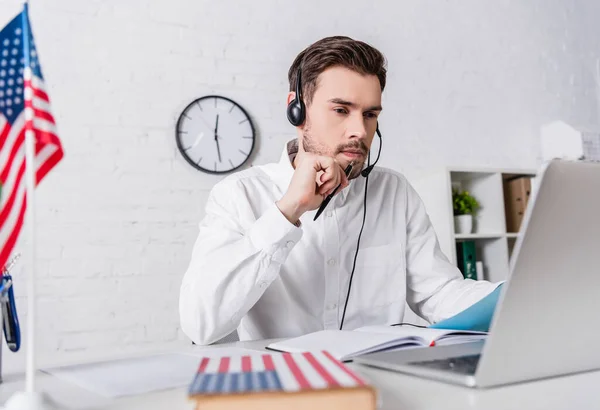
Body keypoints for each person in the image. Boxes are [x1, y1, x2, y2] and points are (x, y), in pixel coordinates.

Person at [179, 36, 501, 346]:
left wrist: (520, 294)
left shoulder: (394, 192)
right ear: (297, 110)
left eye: (370, 114)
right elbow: (202, 325)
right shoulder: (238, 195)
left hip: (373, 385)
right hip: (282, 390)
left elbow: (438, 293)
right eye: (341, 110)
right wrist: (287, 211)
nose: (360, 131)